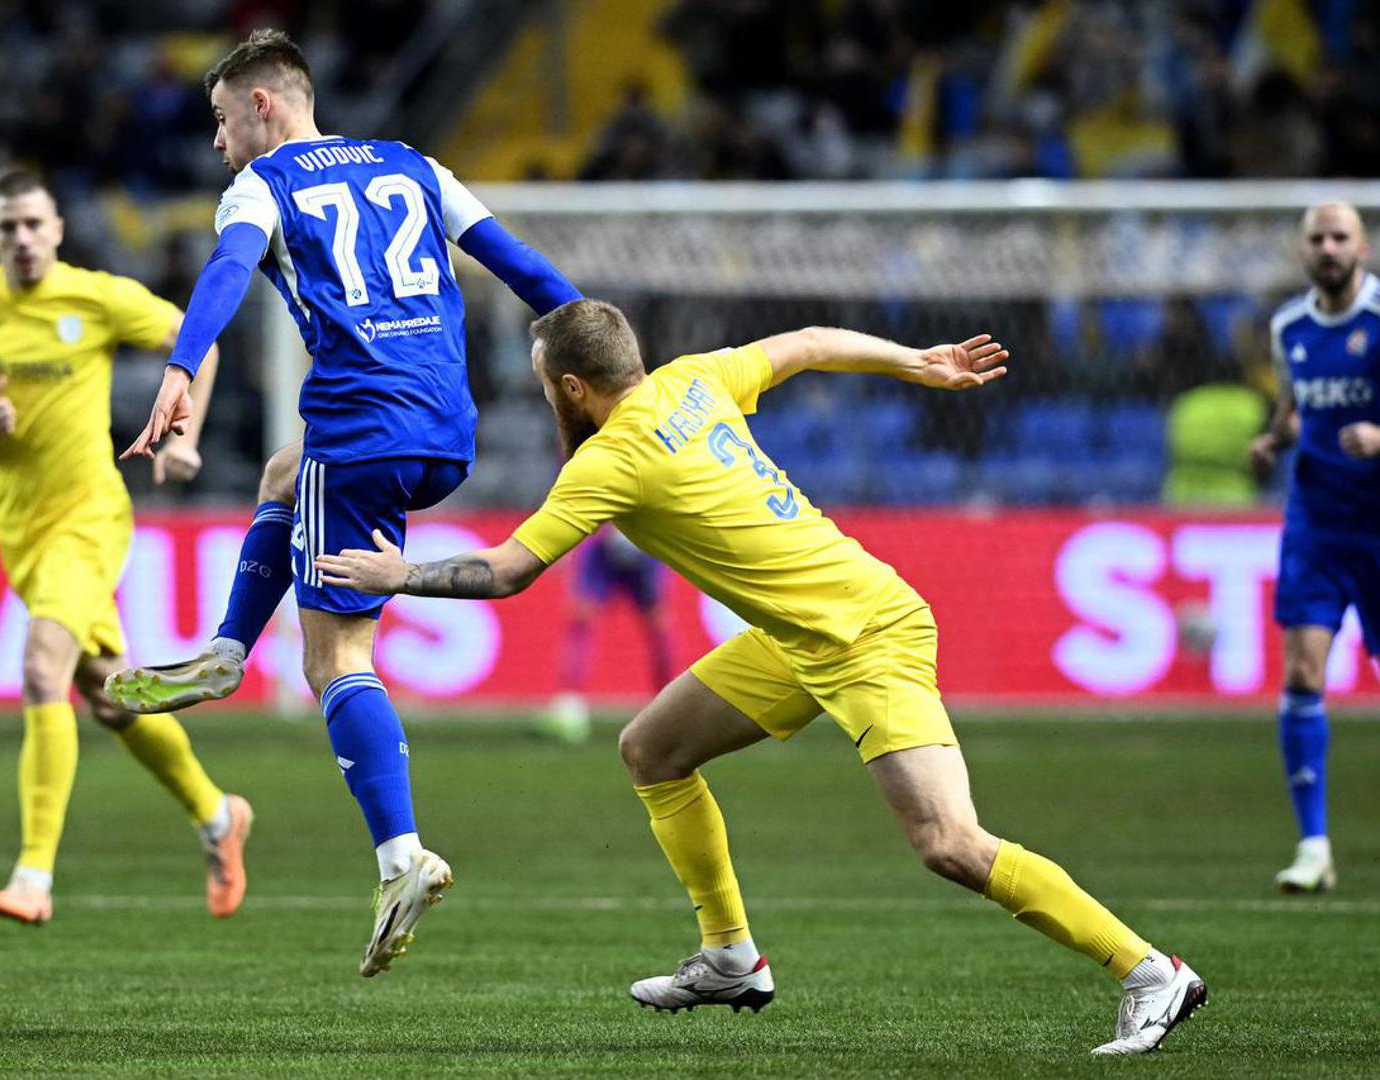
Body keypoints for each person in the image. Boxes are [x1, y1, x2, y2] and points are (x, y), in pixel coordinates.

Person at [316, 300, 1208, 1056]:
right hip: (801, 635)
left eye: (545, 382)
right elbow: (810, 343)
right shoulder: (696, 378)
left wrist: (400, 574)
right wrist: (914, 361)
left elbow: (509, 571)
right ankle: (729, 957)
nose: (543, 394)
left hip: (863, 634)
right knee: (653, 749)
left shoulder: (610, 460)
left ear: (572, 388)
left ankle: (1149, 971)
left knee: (949, 843)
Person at [104, 29, 581, 976]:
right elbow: (522, 267)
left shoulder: (262, 184)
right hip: (446, 429)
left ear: (263, 105)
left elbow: (228, 271)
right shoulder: (414, 165)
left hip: (361, 429)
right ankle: (226, 652)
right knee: (284, 474)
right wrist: (610, 364)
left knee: (333, 659)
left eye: (220, 120)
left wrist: (182, 367)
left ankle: (401, 858)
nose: (217, 143)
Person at [0, 171, 250, 926]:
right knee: (107, 695)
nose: (22, 238)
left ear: (57, 229)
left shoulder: (95, 297)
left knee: (42, 669)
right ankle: (217, 816)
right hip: (20, 531)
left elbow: (199, 344)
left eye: (34, 224)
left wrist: (184, 437)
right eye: (7, 227)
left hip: (90, 515)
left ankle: (32, 876)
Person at [1247, 200, 1380, 894]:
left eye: (1340, 237)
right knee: (1301, 672)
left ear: (1363, 248)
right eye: (1317, 238)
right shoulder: (1288, 328)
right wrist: (1273, 440)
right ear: (1303, 251)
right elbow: (1295, 410)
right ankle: (1313, 846)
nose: (1328, 248)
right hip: (1316, 524)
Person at [542, 526, 675, 743]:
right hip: (604, 547)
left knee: (657, 624)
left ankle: (669, 705)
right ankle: (570, 705)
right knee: (581, 618)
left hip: (647, 545)